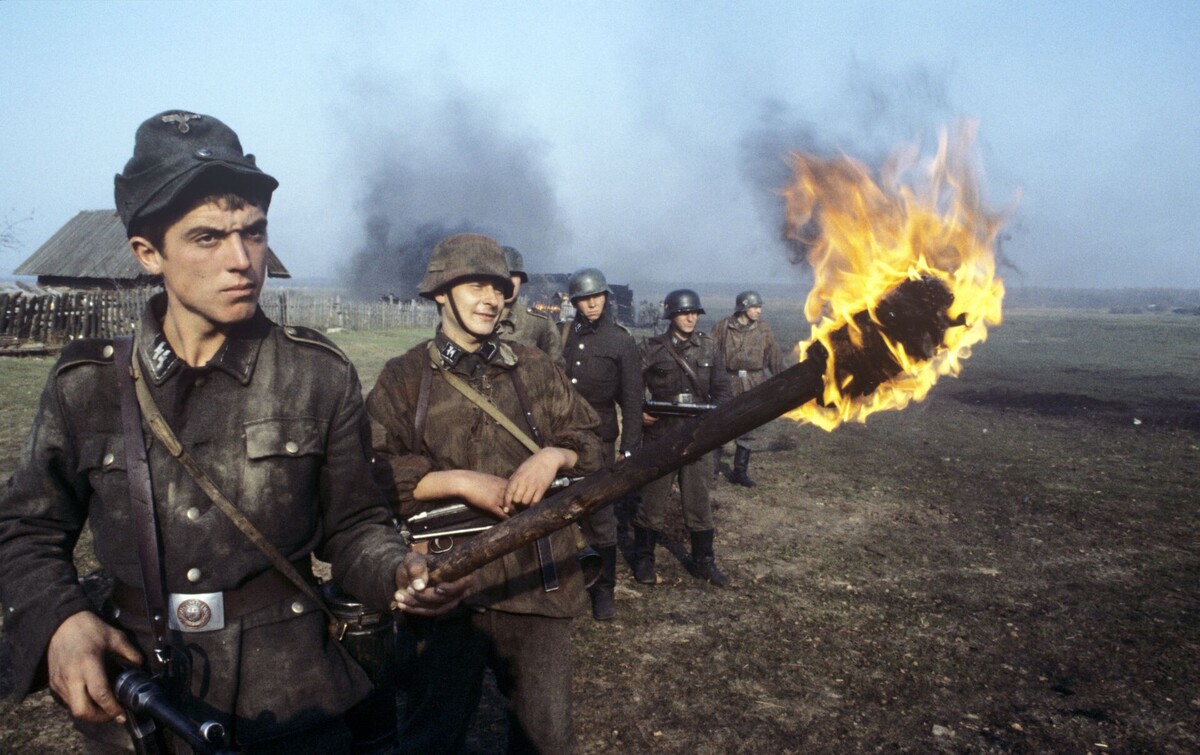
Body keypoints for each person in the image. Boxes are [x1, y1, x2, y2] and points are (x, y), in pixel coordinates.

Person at [0, 110, 467, 753]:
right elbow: (26, 530)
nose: (242, 260)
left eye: (253, 232)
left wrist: (397, 569)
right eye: (207, 238)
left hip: (294, 692)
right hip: (140, 698)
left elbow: (356, 525)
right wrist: (61, 619)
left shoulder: (316, 374)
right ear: (148, 253)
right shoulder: (87, 385)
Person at [367, 233, 604, 754]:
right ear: (440, 293)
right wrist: (459, 481)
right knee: (432, 737)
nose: (492, 299)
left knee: (545, 738)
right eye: (476, 286)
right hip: (446, 581)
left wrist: (553, 456)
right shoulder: (404, 378)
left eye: (499, 288)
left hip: (538, 577)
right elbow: (372, 471)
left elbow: (590, 440)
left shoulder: (535, 368)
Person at [635, 289, 733, 587]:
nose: (690, 318)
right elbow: (631, 386)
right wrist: (639, 411)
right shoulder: (652, 348)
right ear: (671, 316)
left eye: (694, 313)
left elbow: (723, 391)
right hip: (662, 436)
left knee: (699, 502)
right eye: (684, 313)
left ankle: (704, 561)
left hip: (697, 438)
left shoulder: (709, 348)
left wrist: (714, 427)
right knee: (651, 503)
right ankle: (644, 560)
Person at [561, 267, 643, 620]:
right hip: (560, 438)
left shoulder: (620, 340)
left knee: (600, 514)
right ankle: (567, 585)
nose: (591, 304)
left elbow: (633, 399)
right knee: (560, 510)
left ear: (606, 298)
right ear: (575, 303)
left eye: (597, 297)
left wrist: (630, 447)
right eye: (584, 299)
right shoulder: (562, 335)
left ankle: (604, 588)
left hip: (600, 440)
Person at [712, 290, 785, 487]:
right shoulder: (722, 327)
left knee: (748, 427)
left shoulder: (764, 330)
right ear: (743, 308)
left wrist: (786, 381)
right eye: (754, 307)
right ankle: (711, 471)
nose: (759, 311)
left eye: (760, 307)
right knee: (719, 424)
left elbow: (775, 358)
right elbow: (711, 355)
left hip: (754, 382)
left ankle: (740, 472)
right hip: (727, 381)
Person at [496, 245, 565, 366]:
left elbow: (556, 370)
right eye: (501, 275)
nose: (508, 281)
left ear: (521, 280)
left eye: (513, 275)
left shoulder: (538, 322)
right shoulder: (473, 319)